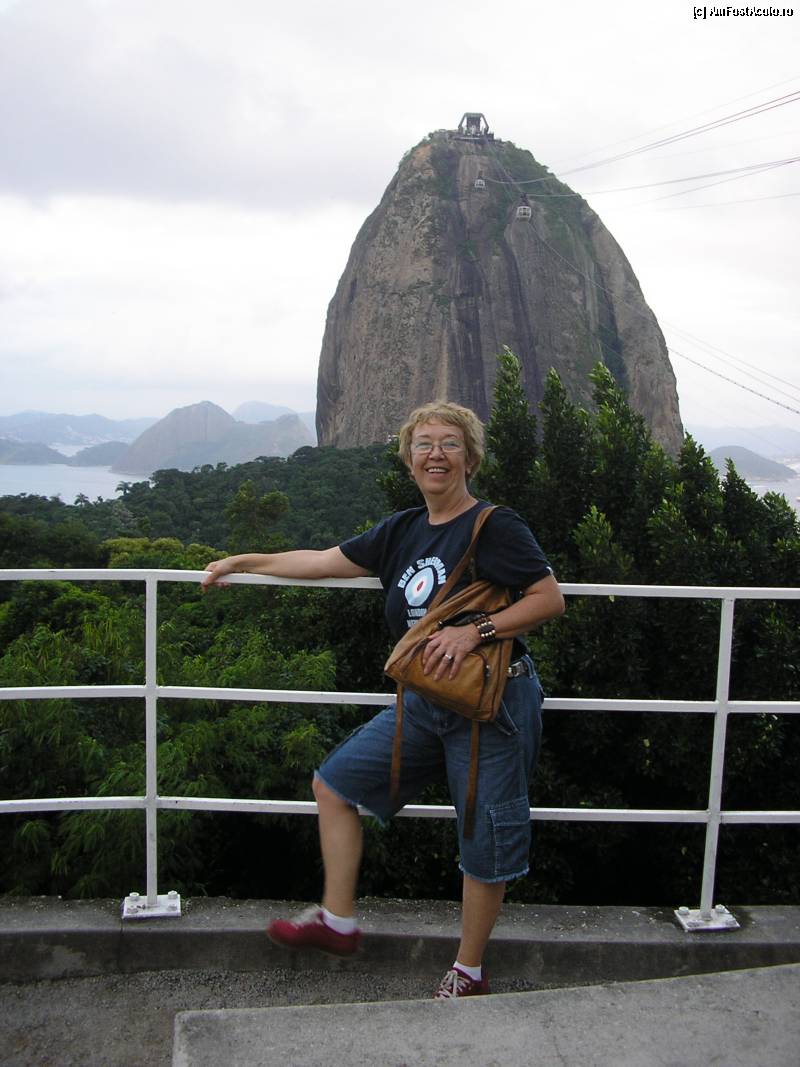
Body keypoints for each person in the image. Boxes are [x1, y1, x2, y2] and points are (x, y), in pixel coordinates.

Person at [202, 401, 565, 998]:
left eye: (449, 444)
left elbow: (548, 599)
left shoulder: (493, 525)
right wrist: (243, 561)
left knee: (483, 835)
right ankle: (337, 921)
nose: (435, 454)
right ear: (408, 458)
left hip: (491, 703)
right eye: (424, 444)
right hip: (425, 697)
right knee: (335, 784)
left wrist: (475, 631)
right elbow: (322, 561)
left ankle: (469, 971)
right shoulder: (402, 529)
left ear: (470, 457)